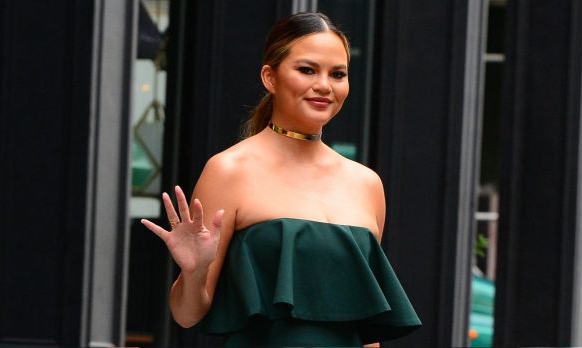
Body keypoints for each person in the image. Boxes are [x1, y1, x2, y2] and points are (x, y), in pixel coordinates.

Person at [141, 12, 421, 347]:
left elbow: (365, 328)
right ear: (270, 78)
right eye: (307, 70)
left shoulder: (366, 184)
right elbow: (187, 315)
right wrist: (194, 270)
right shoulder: (230, 170)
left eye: (338, 74)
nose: (324, 86)